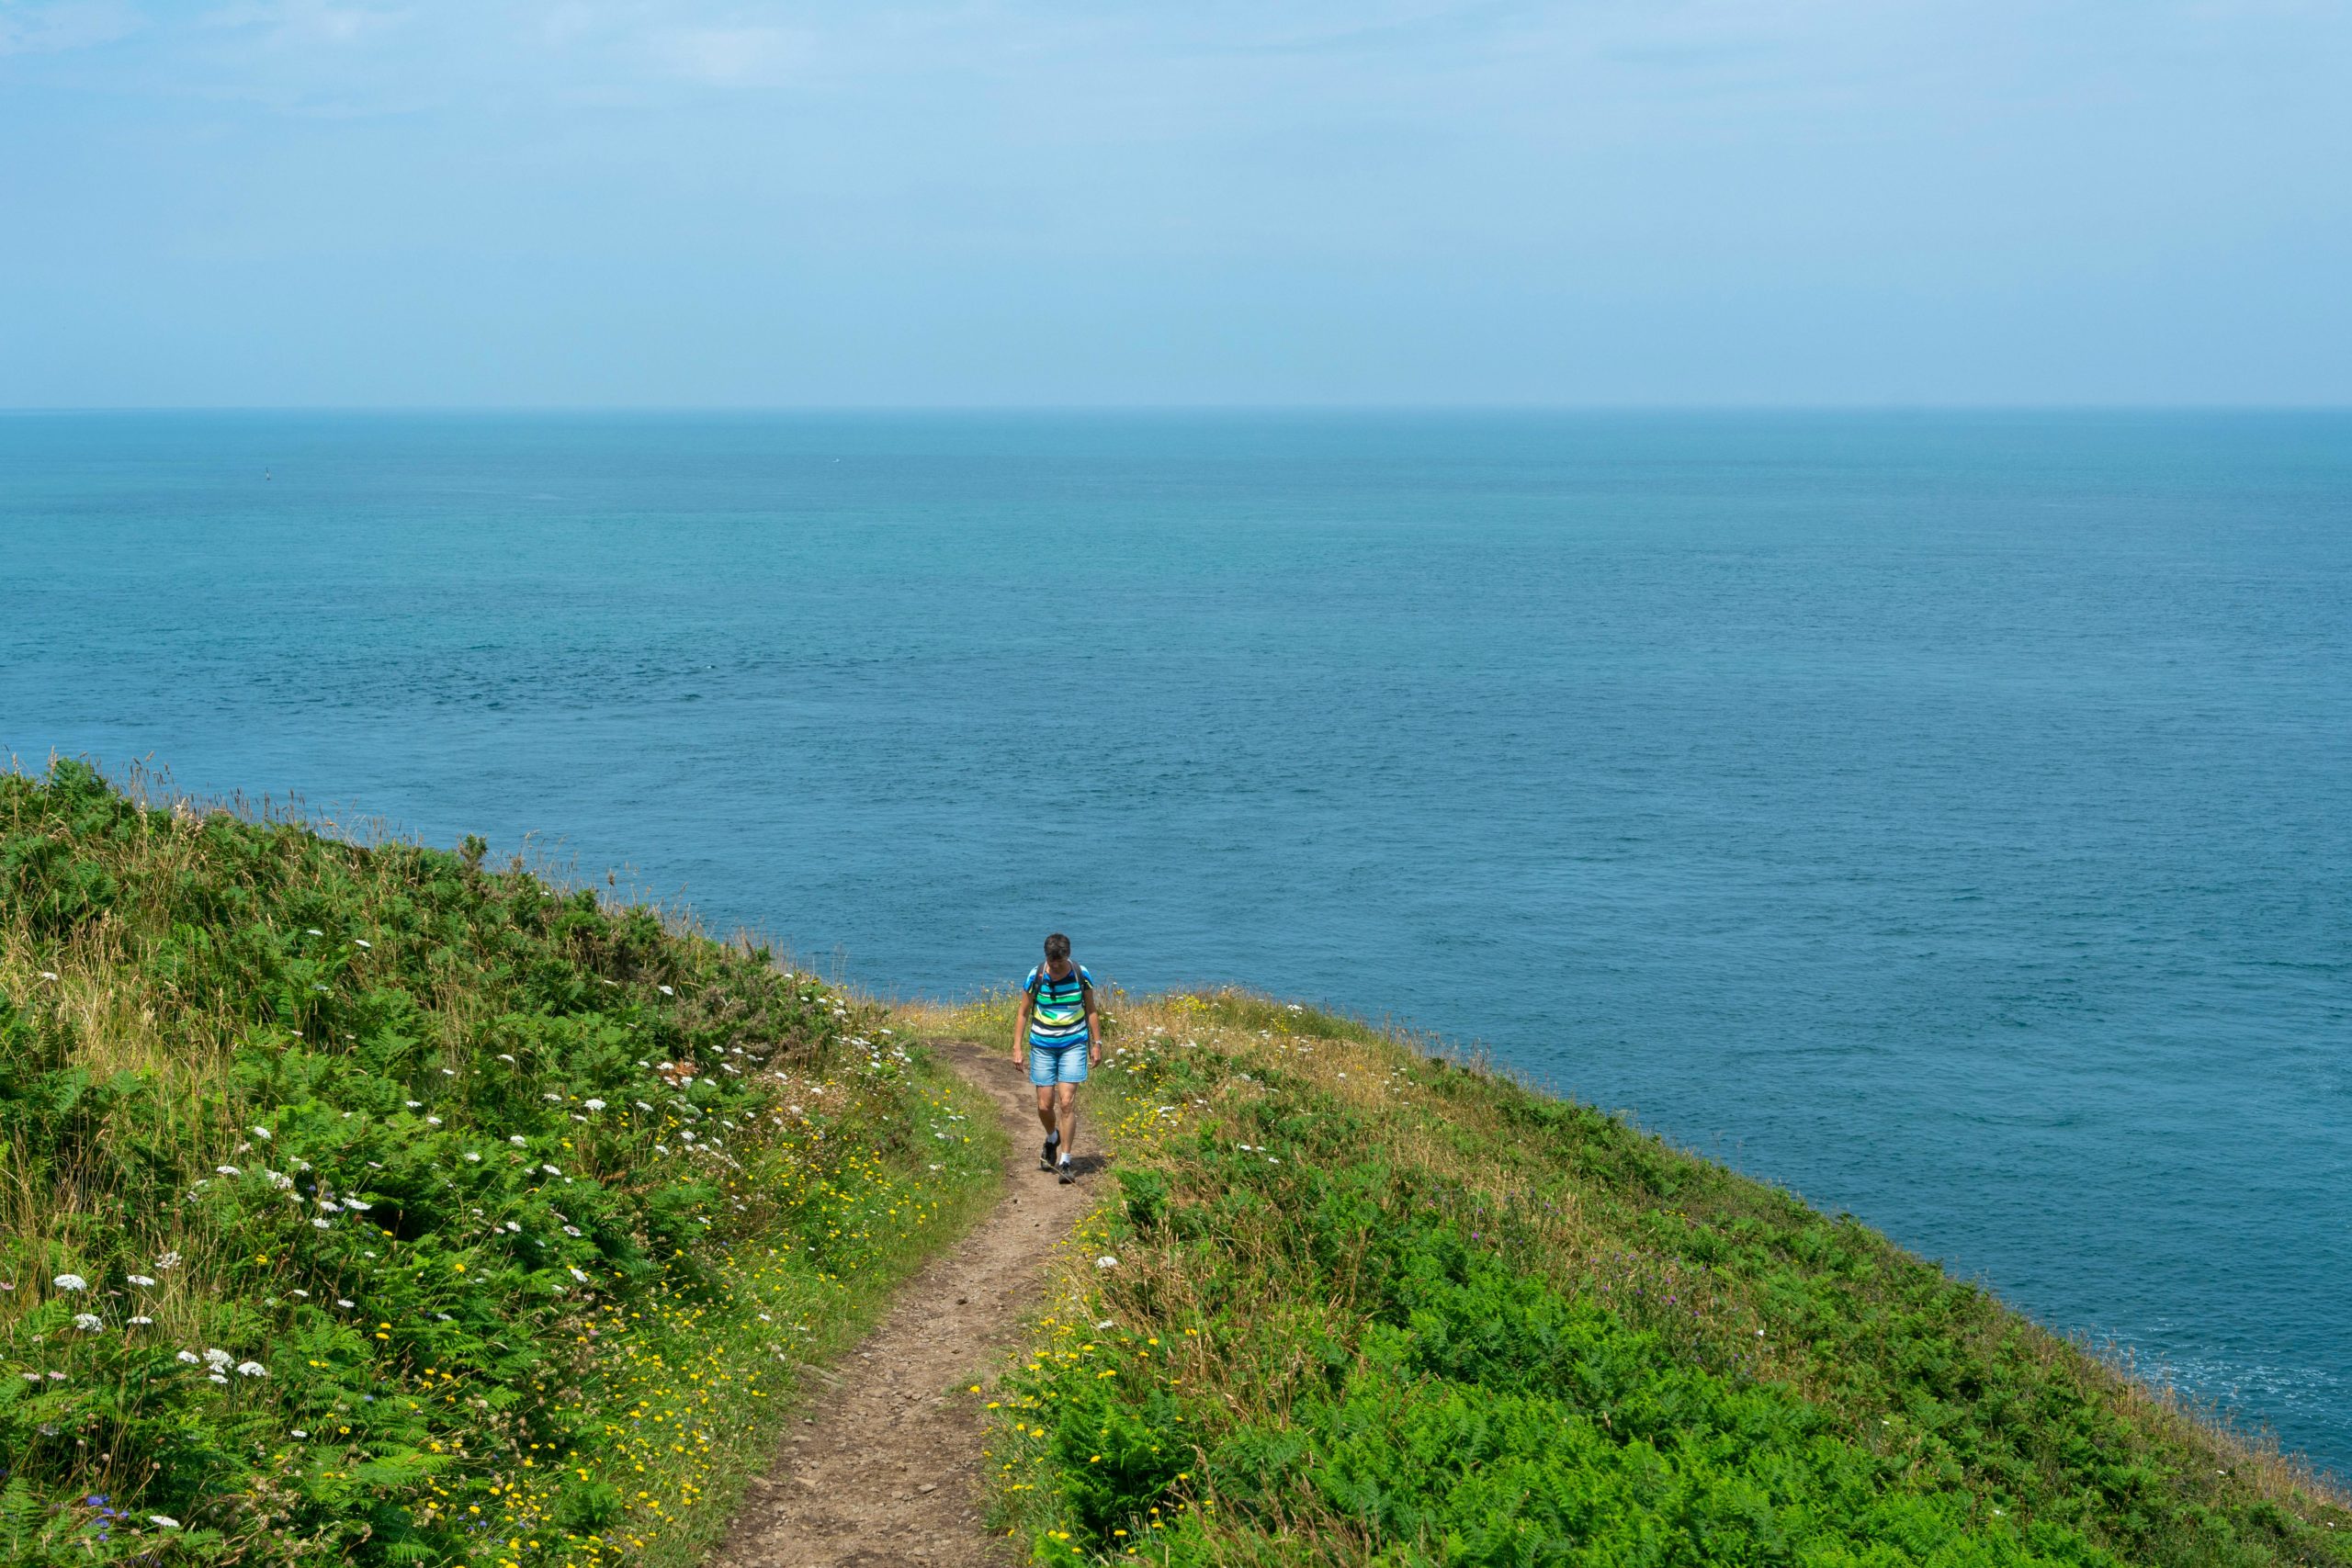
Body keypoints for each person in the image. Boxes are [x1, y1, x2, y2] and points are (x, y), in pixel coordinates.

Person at [1012, 932, 1101, 1184]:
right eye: (1051, 962)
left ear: (1067, 956)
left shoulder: (1081, 975)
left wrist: (1097, 1043)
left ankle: (1066, 1161)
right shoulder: (1036, 976)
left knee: (1066, 1102)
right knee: (1044, 1104)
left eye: (1059, 963)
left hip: (1073, 1044)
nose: (1054, 967)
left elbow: (1091, 1010)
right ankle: (1052, 1137)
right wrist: (1017, 1047)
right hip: (1042, 1045)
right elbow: (1023, 1013)